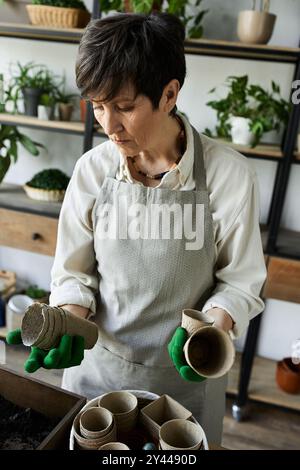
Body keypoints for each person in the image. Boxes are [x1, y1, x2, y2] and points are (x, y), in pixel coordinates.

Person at [7, 12, 267, 445]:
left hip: (186, 381)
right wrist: (67, 323)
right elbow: (74, 272)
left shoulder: (229, 176)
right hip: (98, 373)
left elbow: (240, 281)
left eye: (125, 107)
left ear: (168, 94)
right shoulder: (92, 171)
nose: (109, 126)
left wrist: (210, 332)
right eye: (98, 106)